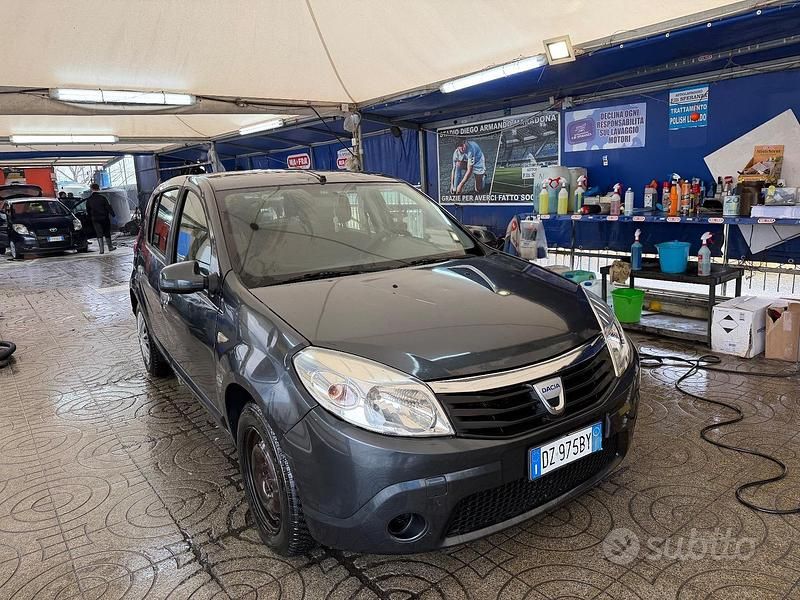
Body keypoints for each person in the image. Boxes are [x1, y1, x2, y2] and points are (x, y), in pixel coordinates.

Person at [86, 183, 116, 253]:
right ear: (98, 188)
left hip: (95, 219)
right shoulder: (103, 198)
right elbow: (108, 207)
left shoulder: (89, 199)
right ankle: (110, 247)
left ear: (91, 189)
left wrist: (90, 217)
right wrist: (113, 215)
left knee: (99, 233)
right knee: (107, 232)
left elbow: (88, 210)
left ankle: (101, 250)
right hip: (104, 218)